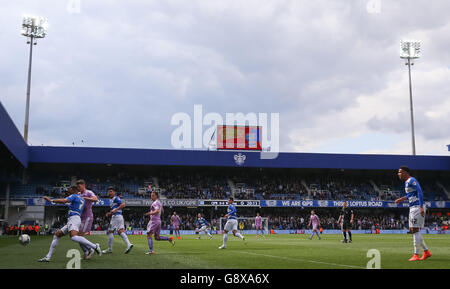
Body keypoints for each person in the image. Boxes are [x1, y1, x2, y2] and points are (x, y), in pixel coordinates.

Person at [38, 186, 101, 262]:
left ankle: (94, 246)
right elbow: (78, 207)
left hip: (73, 219)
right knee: (57, 235)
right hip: (74, 219)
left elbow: (64, 200)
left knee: (74, 237)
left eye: (69, 189)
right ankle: (48, 257)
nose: (67, 190)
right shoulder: (81, 199)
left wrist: (51, 200)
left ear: (74, 190)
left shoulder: (74, 195)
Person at [395, 166, 431, 261]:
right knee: (412, 229)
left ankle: (416, 254)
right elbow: (410, 194)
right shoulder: (406, 183)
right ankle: (426, 251)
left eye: (400, 172)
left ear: (406, 173)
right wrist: (401, 199)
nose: (398, 174)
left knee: (414, 230)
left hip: (417, 207)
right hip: (412, 207)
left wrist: (421, 206)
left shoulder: (412, 180)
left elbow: (419, 191)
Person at [103, 187, 133, 254]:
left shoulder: (116, 198)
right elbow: (114, 209)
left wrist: (115, 210)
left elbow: (123, 204)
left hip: (116, 217)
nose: (109, 193)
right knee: (120, 231)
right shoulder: (111, 200)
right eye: (109, 191)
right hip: (119, 216)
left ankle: (110, 249)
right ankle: (129, 244)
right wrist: (109, 213)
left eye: (111, 191)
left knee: (110, 231)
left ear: (114, 192)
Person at [76, 179, 99, 259]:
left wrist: (87, 198)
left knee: (79, 236)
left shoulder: (89, 192)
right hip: (80, 217)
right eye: (77, 187)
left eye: (79, 186)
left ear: (83, 185)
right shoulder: (78, 194)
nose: (78, 188)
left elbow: (96, 199)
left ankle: (91, 249)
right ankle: (87, 251)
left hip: (87, 217)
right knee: (76, 236)